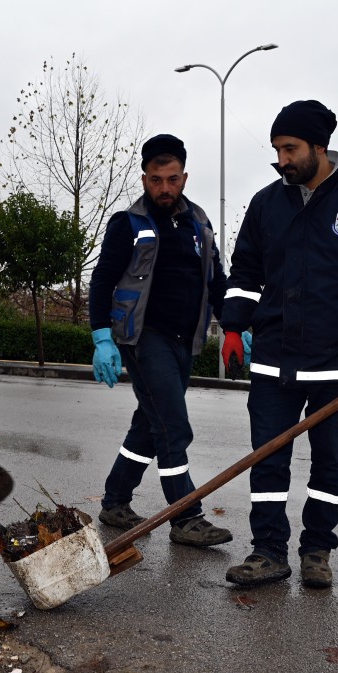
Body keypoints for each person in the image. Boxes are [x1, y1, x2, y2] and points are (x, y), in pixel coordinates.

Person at [220, 100, 338, 588]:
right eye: (276, 150)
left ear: (319, 148)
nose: (281, 159)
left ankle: (317, 551)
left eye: (290, 148)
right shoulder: (266, 203)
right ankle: (268, 552)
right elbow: (244, 273)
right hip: (274, 360)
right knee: (267, 462)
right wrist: (235, 327)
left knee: (330, 464)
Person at [88, 134, 235, 547]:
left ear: (184, 177)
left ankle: (115, 501)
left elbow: (216, 282)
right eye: (156, 180)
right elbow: (101, 282)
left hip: (184, 342)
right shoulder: (128, 224)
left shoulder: (199, 224)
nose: (165, 188)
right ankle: (186, 516)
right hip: (144, 339)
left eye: (172, 179)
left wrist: (234, 327)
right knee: (173, 427)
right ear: (144, 178)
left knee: (149, 427)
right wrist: (102, 337)